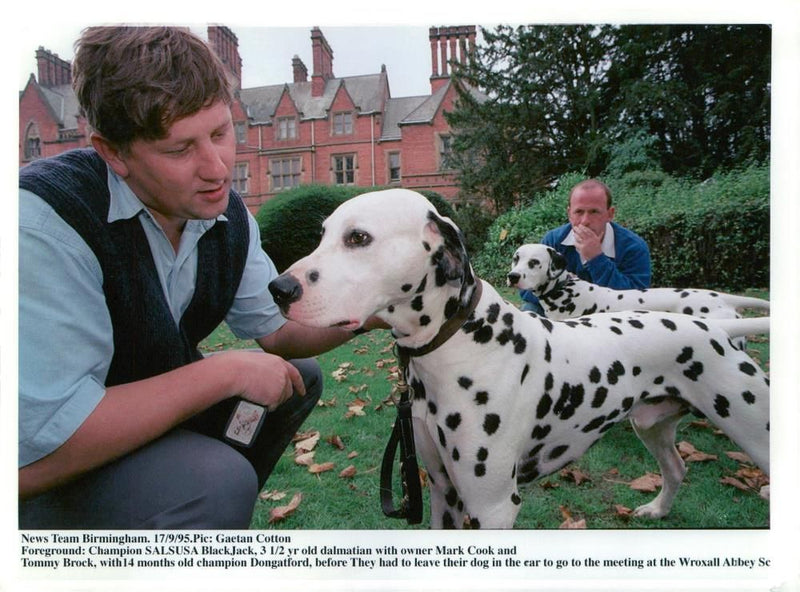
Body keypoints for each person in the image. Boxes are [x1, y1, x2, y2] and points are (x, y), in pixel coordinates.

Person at [18, 26, 378, 529]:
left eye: (219, 133)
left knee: (297, 380)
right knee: (214, 481)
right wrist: (223, 372)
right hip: (37, 474)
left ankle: (198, 525)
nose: (217, 169)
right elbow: (26, 460)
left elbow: (278, 331)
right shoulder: (43, 224)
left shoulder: (223, 214)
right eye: (179, 149)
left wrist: (375, 307)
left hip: (132, 420)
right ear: (113, 152)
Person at [520, 179, 651, 314]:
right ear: (569, 214)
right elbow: (527, 290)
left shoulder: (633, 247)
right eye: (579, 212)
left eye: (594, 212)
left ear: (610, 214)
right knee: (530, 311)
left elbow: (635, 301)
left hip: (610, 319)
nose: (585, 221)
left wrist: (596, 259)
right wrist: (571, 290)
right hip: (561, 312)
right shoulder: (554, 241)